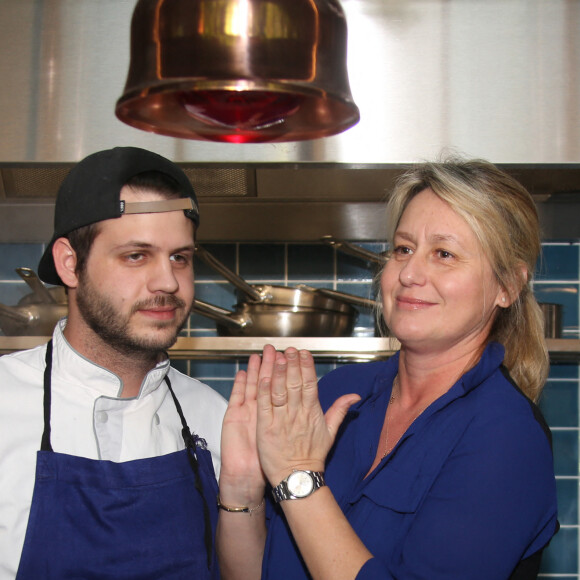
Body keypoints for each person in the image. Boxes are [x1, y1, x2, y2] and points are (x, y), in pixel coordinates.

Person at [217, 157, 559, 579]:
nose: (410, 273)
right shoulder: (340, 394)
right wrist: (240, 488)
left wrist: (297, 478)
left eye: (444, 253)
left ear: (507, 286)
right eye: (403, 249)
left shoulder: (506, 435)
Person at [0, 147, 227, 579]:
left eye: (180, 257)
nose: (168, 281)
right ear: (70, 263)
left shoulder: (213, 417)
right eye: (136, 255)